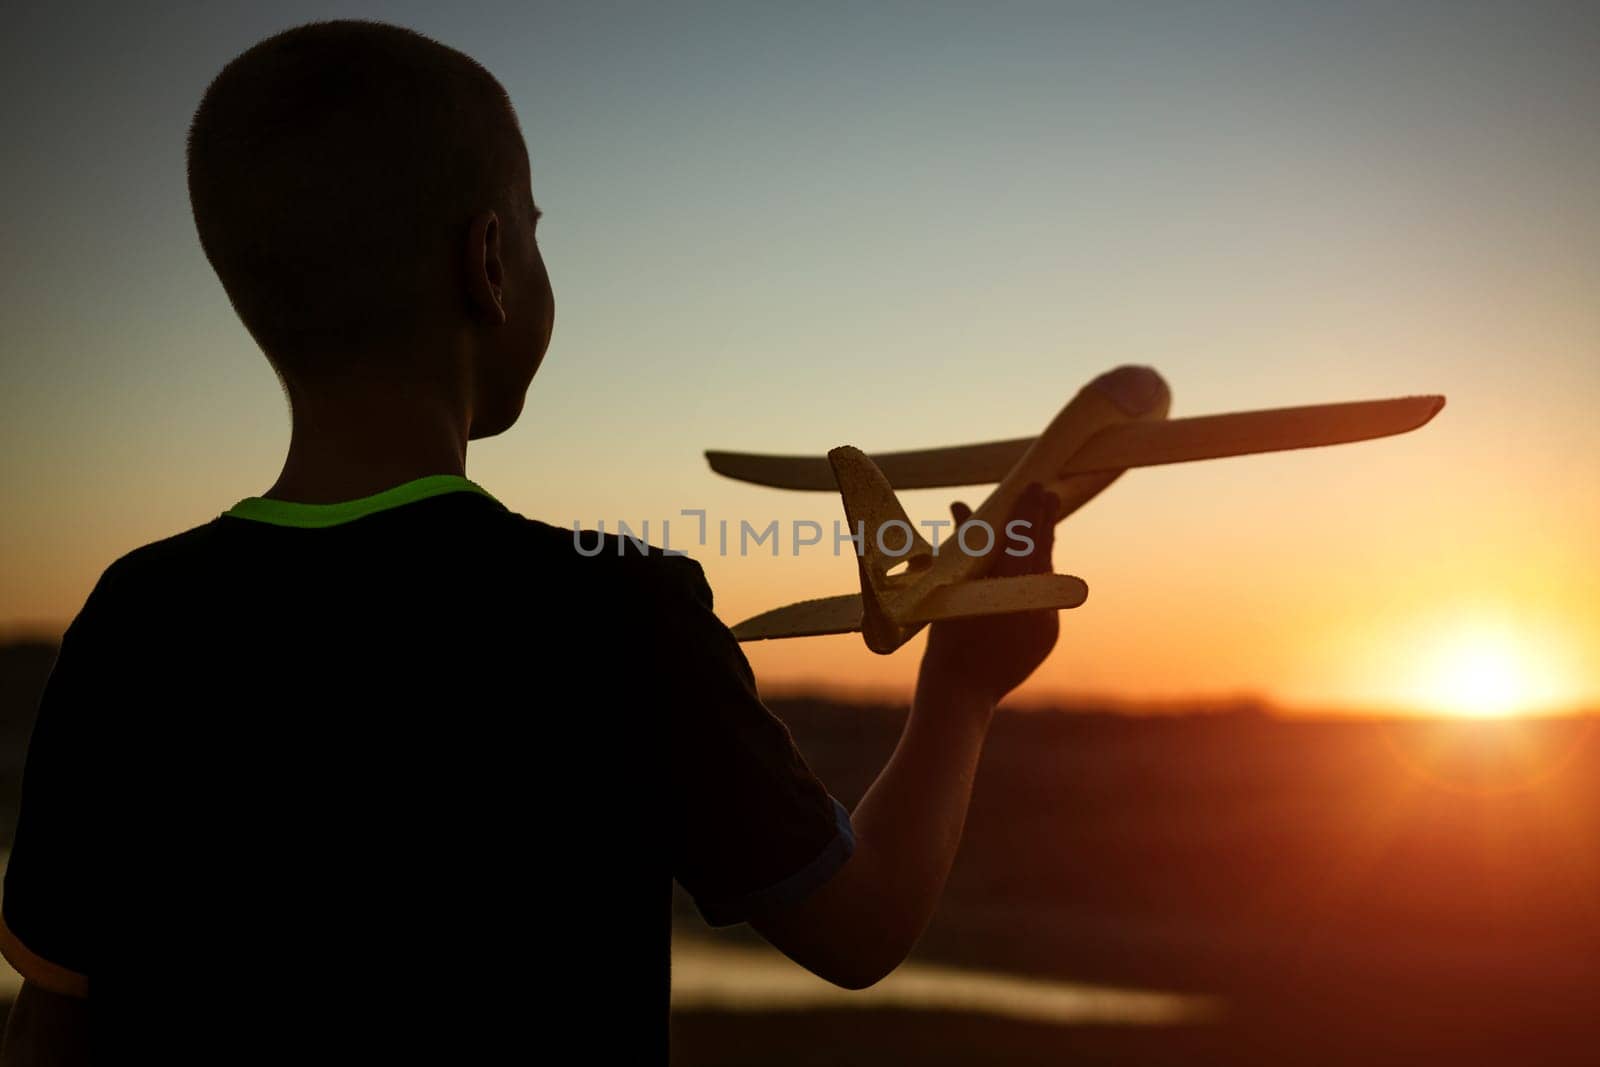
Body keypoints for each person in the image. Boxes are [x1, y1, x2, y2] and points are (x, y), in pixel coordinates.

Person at [0, 19, 1165, 1064]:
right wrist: (959, 692)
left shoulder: (134, 615)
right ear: (491, 262)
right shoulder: (621, 608)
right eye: (539, 233)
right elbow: (858, 927)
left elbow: (53, 1019)